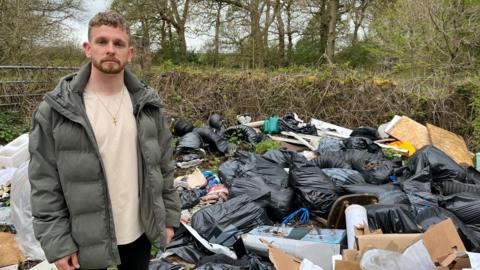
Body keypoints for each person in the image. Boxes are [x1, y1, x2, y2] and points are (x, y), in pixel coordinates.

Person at [28, 11, 180, 270]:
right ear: (88, 48)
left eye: (118, 43)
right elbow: (44, 182)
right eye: (102, 42)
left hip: (138, 233)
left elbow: (163, 167)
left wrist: (168, 219)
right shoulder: (55, 110)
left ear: (129, 53)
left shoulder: (148, 105)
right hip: (84, 240)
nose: (111, 49)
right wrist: (57, 242)